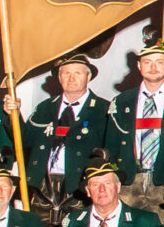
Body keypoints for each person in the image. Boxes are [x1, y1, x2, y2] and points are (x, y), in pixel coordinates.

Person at [113, 42, 164, 208]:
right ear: (139, 66)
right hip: (129, 184)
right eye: (147, 62)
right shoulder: (121, 101)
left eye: (159, 62)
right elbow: (111, 144)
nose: (153, 67)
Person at [25, 53, 114, 203]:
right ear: (59, 77)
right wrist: (12, 115)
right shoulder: (44, 108)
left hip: (81, 186)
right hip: (43, 186)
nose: (71, 78)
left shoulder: (104, 110)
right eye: (66, 73)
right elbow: (25, 139)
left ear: (88, 77)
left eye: (77, 73)